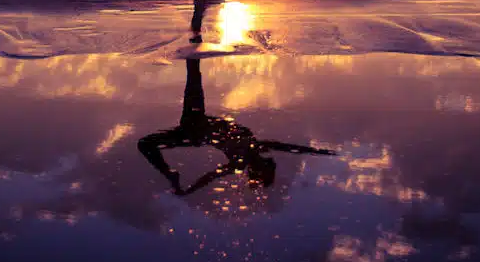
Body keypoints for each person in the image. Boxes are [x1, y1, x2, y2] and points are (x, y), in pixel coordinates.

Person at [137, 57, 336, 196]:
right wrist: (318, 151)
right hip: (196, 129)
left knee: (193, 74)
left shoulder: (246, 157)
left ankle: (195, 30)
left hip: (197, 129)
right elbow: (292, 148)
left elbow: (210, 176)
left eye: (261, 170)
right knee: (145, 143)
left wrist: (190, 190)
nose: (265, 164)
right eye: (264, 169)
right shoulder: (254, 149)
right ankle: (169, 173)